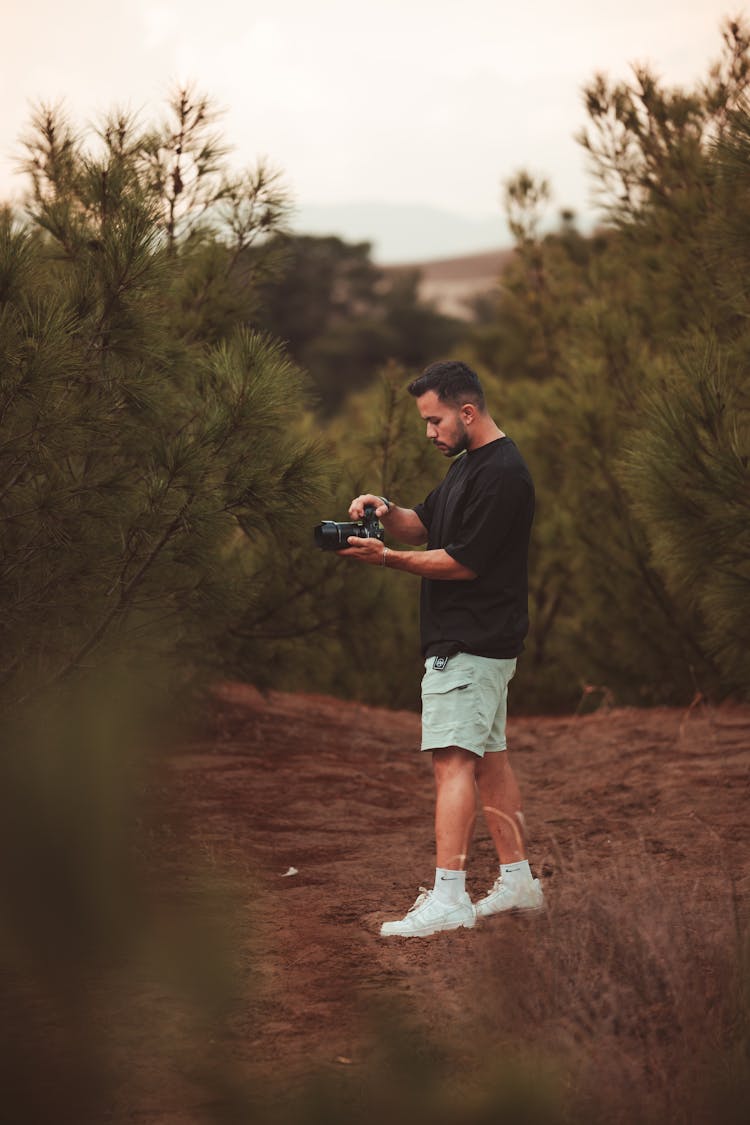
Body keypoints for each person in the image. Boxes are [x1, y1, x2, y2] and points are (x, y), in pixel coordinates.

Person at [337, 359, 543, 937]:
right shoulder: (466, 467)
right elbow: (424, 524)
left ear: (467, 412)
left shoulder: (503, 474)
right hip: (478, 641)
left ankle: (450, 896)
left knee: (451, 762)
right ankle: (519, 882)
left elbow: (461, 562)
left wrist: (387, 561)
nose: (430, 432)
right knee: (490, 764)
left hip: (470, 641)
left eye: (434, 421)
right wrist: (384, 512)